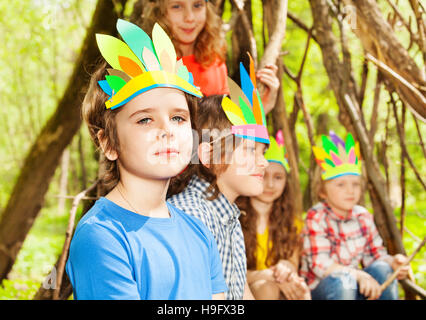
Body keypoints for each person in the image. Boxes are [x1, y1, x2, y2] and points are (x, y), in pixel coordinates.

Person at [65, 19, 227, 300]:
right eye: (145, 119)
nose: (166, 130)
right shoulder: (102, 236)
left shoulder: (200, 233)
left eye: (178, 117)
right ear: (108, 144)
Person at [167, 57, 270, 300]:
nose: (263, 161)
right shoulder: (193, 216)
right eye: (249, 150)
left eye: (262, 152)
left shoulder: (228, 215)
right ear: (208, 155)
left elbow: (241, 293)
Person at [300, 131, 410, 300]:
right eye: (341, 185)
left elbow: (375, 256)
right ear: (322, 191)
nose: (350, 190)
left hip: (355, 286)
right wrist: (357, 275)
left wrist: (392, 262)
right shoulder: (317, 216)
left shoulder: (363, 216)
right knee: (344, 282)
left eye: (355, 184)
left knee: (382, 270)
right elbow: (320, 265)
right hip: (327, 290)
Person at [141, 0, 279, 114]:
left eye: (197, 5)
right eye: (177, 6)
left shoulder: (213, 59)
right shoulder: (148, 62)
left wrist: (263, 108)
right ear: (159, 10)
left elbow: (224, 126)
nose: (189, 17)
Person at [238, 131, 311, 300]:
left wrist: (286, 267)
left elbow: (292, 262)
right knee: (266, 288)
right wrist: (266, 275)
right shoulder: (235, 218)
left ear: (286, 182)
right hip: (243, 290)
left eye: (278, 177)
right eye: (264, 176)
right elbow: (227, 273)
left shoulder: (293, 222)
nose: (270, 184)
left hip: (278, 286)